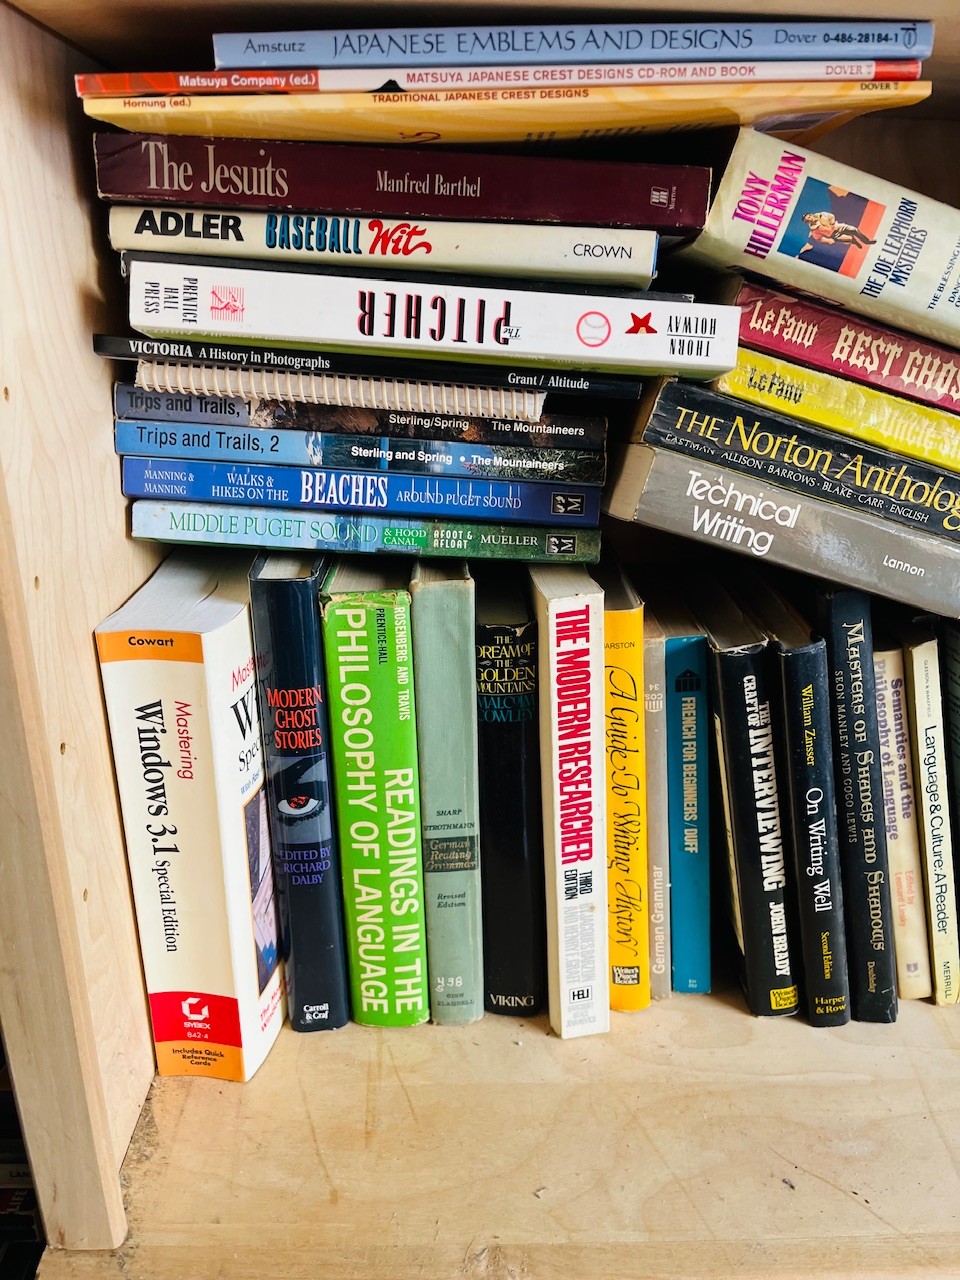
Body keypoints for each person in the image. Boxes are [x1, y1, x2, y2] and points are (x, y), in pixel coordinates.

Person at [799, 209, 876, 253]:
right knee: (850, 239)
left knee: (854, 230)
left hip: (838, 226)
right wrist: (828, 240)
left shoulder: (822, 214)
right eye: (808, 220)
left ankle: (867, 241)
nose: (810, 219)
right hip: (834, 235)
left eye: (809, 217)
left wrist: (832, 222)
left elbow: (831, 216)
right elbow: (819, 239)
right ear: (807, 222)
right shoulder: (814, 230)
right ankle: (855, 242)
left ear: (811, 215)